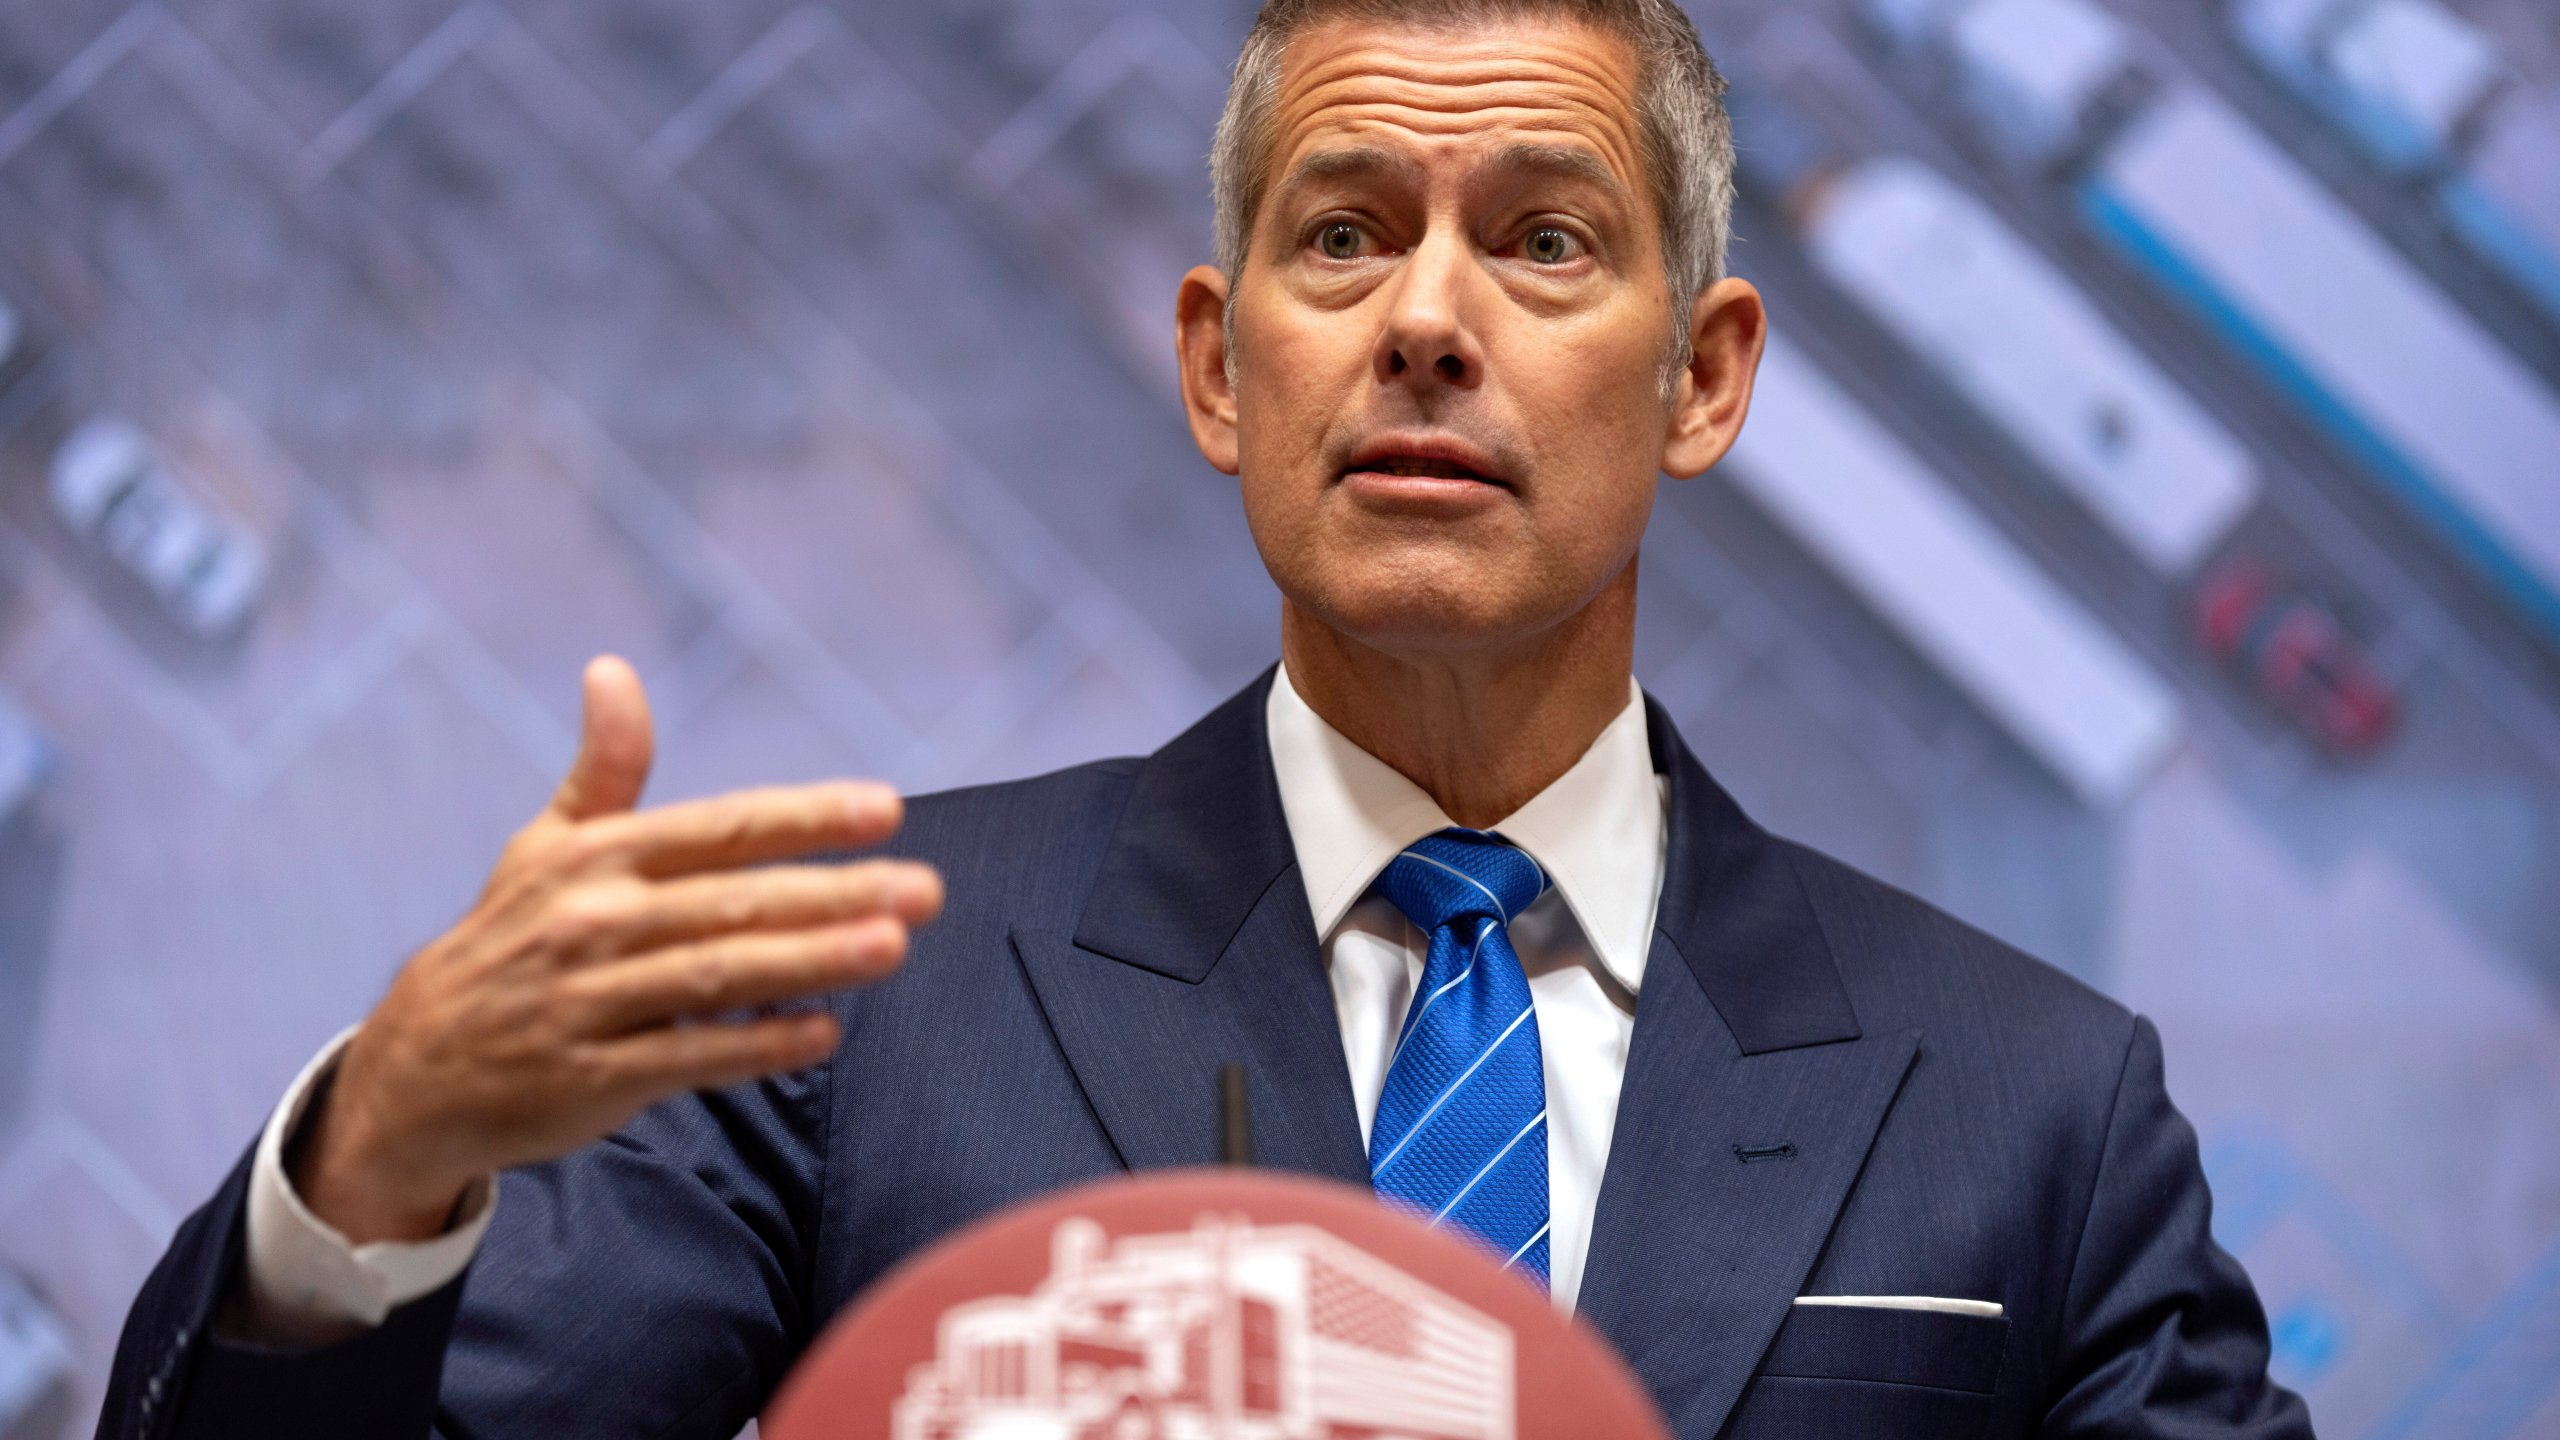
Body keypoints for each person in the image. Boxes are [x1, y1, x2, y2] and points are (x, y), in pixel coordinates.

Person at [99, 0, 2313, 1435]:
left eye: (1546, 242)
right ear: (1217, 365)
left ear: (1703, 377)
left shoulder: (2037, 1119)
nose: (1426, 319)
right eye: (1339, 237)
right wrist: (372, 1172)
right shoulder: (857, 983)